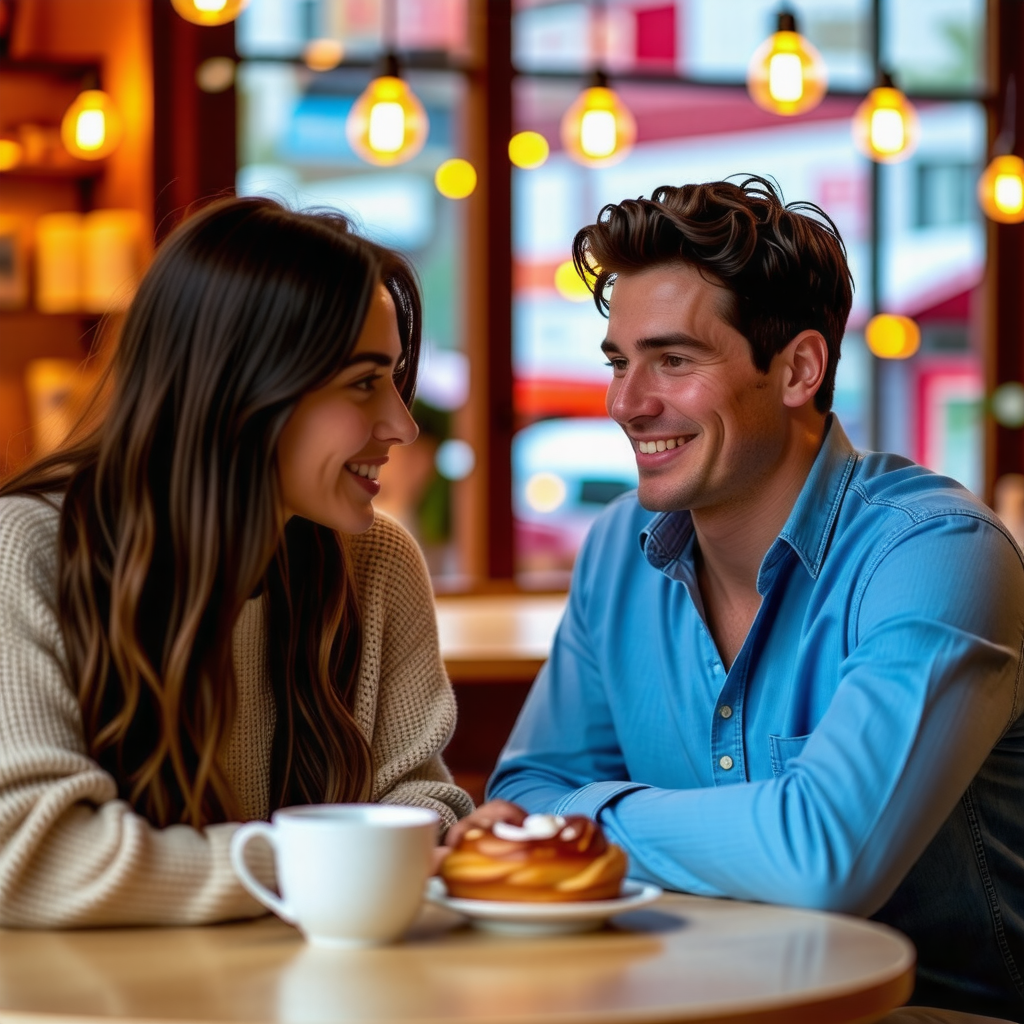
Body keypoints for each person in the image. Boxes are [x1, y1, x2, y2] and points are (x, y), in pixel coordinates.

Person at [449, 178, 1024, 1021]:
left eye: (674, 360)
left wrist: (586, 820)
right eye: (620, 361)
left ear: (797, 369)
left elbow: (825, 857)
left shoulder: (936, 556)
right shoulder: (617, 550)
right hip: (690, 999)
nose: (627, 403)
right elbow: (528, 789)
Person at [0, 197, 473, 928]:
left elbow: (420, 801)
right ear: (243, 388)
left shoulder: (377, 560)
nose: (402, 426)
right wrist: (322, 865)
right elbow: (36, 860)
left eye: (395, 379)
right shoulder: (26, 551)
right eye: (362, 382)